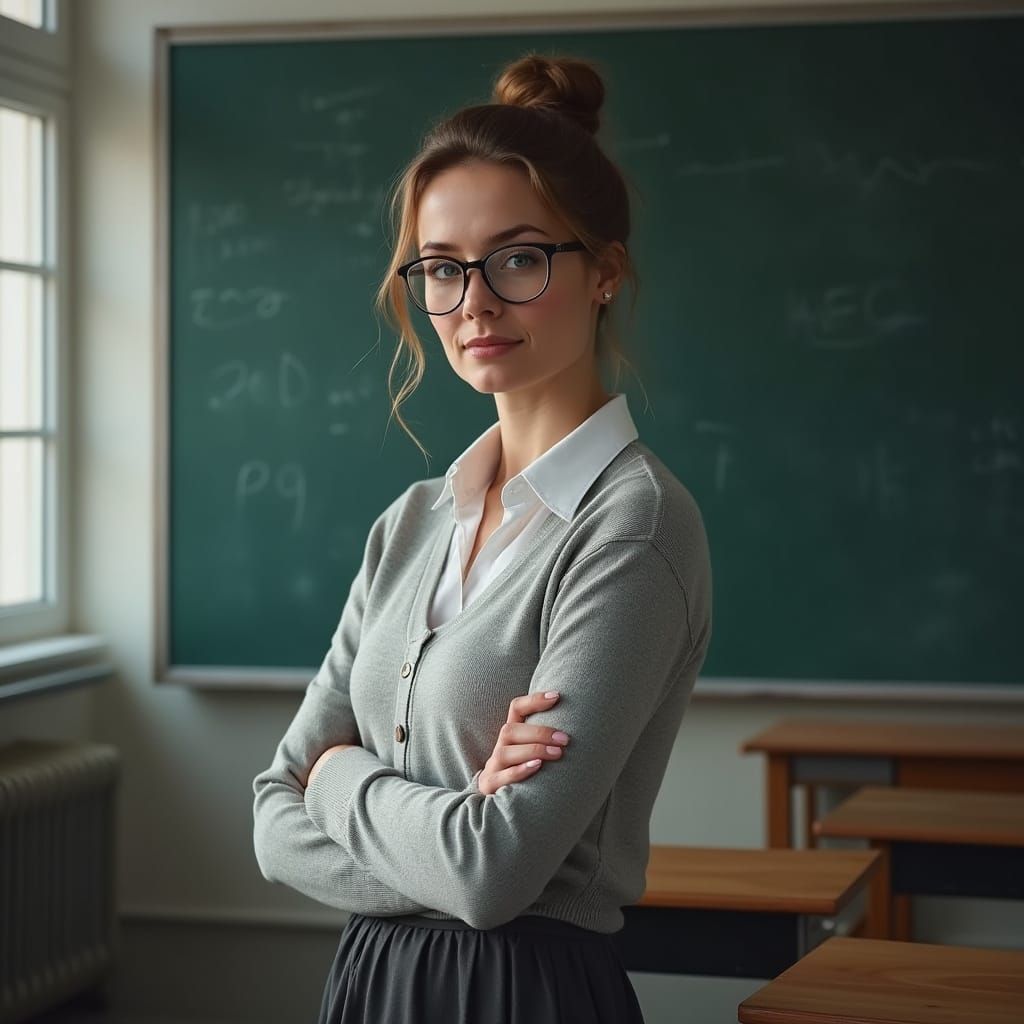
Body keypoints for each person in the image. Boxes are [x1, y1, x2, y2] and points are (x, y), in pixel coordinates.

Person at [252, 51, 712, 1024]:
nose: (473, 304)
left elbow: (495, 872)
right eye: (441, 268)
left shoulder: (633, 525)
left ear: (604, 272)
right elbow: (269, 818)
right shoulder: (412, 520)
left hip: (519, 993)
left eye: (517, 257)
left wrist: (338, 773)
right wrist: (447, 821)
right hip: (368, 983)